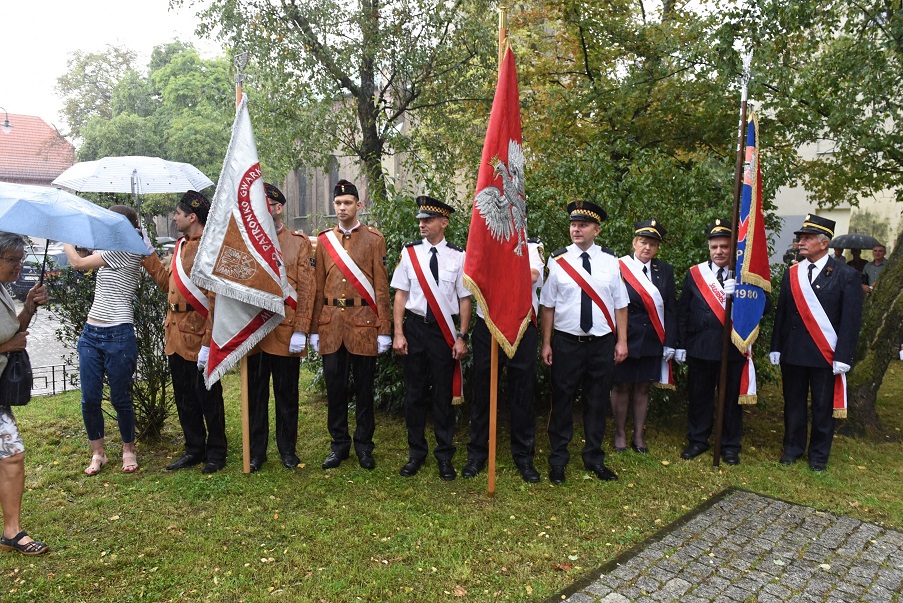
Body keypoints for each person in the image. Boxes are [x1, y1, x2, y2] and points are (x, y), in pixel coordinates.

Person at [539, 200, 628, 485]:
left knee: (597, 400)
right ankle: (558, 460)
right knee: (562, 400)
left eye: (583, 225)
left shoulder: (611, 261)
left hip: (601, 343)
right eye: (573, 224)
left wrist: (622, 341)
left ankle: (594, 458)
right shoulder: (557, 259)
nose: (576, 229)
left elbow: (621, 305)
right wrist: (546, 343)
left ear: (596, 230)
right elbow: (548, 305)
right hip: (566, 342)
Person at [143, 191, 227, 474]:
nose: (174, 217)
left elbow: (215, 299)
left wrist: (208, 341)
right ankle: (194, 448)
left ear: (192, 216)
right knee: (184, 398)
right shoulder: (179, 247)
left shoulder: (210, 248)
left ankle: (216, 451)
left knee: (208, 397)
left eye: (177, 213)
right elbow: (168, 285)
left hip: (199, 333)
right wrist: (149, 255)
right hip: (175, 335)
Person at [770, 214, 862, 471]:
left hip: (825, 354)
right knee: (794, 402)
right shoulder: (793, 274)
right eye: (801, 238)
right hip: (794, 352)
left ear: (824, 243)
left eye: (807, 238)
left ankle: (818, 455)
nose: (801, 242)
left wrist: (843, 355)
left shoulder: (846, 275)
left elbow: (851, 321)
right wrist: (776, 345)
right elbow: (783, 313)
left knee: (822, 406)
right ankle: (793, 448)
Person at [310, 180, 392, 471]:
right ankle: (339, 445)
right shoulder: (323, 241)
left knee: (365, 390)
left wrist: (385, 329)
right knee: (335, 388)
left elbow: (381, 288)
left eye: (348, 203)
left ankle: (364, 446)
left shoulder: (373, 239)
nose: (342, 208)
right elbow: (317, 287)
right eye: (338, 203)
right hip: (331, 324)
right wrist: (311, 329)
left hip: (363, 324)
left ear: (359, 205)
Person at [63, 206, 149, 476]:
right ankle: (98, 454)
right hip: (91, 333)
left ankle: (128, 449)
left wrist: (65, 236)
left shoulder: (126, 249)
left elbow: (78, 264)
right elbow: (90, 261)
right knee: (89, 399)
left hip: (118, 333)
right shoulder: (111, 249)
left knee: (120, 397)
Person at [392, 195, 471, 481]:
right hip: (415, 329)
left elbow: (464, 299)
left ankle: (444, 455)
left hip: (443, 332)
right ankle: (416, 453)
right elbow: (400, 294)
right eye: (421, 220)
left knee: (442, 396)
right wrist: (398, 332)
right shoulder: (410, 252)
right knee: (414, 394)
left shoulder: (458, 256)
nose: (422, 224)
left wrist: (461, 336)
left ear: (444, 222)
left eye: (428, 220)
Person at [246, 184, 316, 471]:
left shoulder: (299, 243)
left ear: (278, 208)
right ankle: (256, 452)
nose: (264, 211)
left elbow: (308, 289)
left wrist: (302, 329)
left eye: (269, 206)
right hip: (255, 333)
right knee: (255, 396)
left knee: (287, 396)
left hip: (286, 331)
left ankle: (288, 449)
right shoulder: (247, 243)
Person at [463, 237, 544, 483]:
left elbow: (531, 275)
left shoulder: (531, 245)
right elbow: (474, 276)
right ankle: (477, 453)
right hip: (487, 324)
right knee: (483, 390)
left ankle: (523, 456)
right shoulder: (484, 241)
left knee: (522, 391)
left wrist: (498, 269)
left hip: (521, 323)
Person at [675, 220, 747, 465]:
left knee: (730, 399)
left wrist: (740, 294)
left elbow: (764, 307)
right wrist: (682, 344)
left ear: (732, 249)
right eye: (715, 246)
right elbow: (683, 311)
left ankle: (729, 445)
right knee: (699, 396)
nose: (719, 251)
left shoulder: (744, 275)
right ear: (709, 248)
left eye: (724, 246)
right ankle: (697, 439)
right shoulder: (695, 274)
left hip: (733, 348)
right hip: (700, 346)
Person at [0, 231, 50, 555]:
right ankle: (13, 532)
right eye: (13, 260)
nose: (19, 266)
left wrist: (29, 306)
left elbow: (12, 329)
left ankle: (12, 531)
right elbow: (9, 339)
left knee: (11, 456)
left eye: (21, 260)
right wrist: (7, 346)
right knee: (12, 456)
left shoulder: (2, 289)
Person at [611, 220, 677, 454]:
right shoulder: (618, 267)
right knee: (621, 386)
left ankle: (638, 435)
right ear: (634, 243)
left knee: (643, 388)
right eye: (643, 242)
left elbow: (670, 308)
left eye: (652, 244)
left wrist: (670, 341)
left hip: (652, 339)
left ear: (657, 248)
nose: (647, 248)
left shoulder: (665, 270)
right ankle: (619, 433)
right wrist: (618, 339)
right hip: (625, 337)